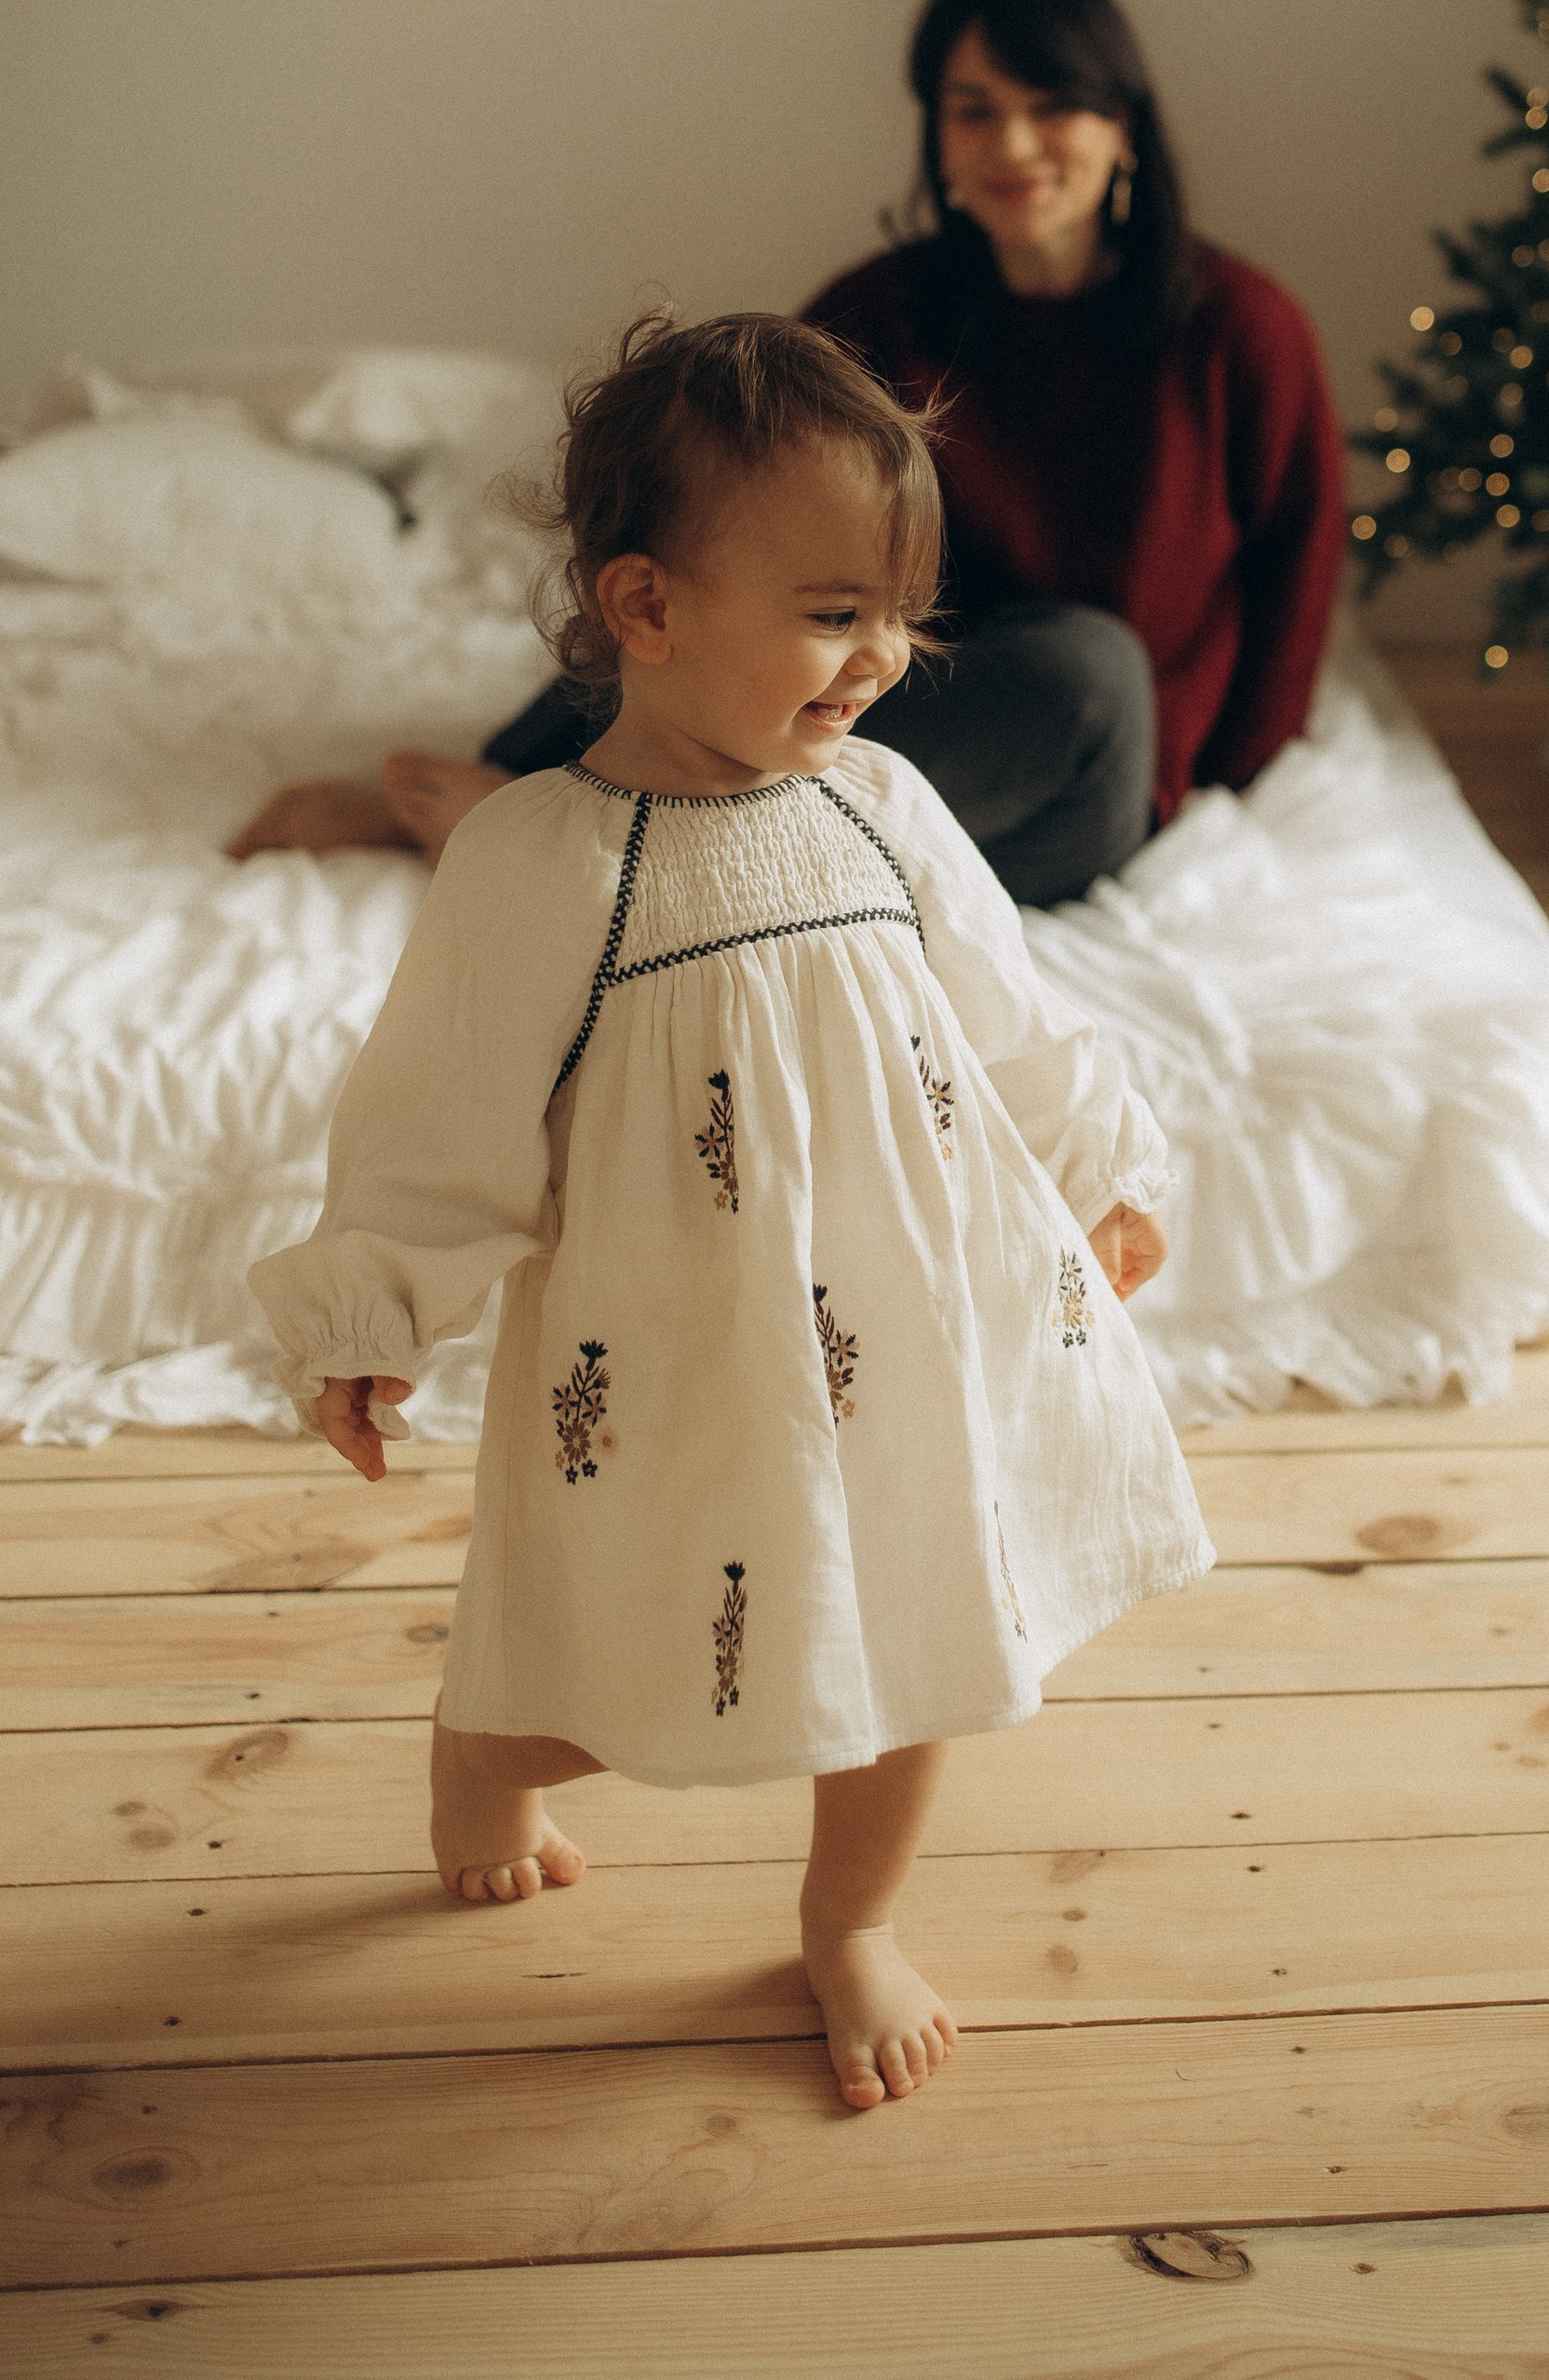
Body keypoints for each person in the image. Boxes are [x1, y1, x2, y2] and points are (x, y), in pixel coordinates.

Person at [248, 310, 1211, 2109]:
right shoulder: (540, 862)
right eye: (835, 612)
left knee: (931, 1617)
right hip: (683, 1345)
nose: (882, 658)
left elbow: (1012, 1017)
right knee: (649, 1623)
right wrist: (369, 1317)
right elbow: (438, 1125)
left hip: (911, 1316)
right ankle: (490, 1749)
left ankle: (847, 1918)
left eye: (901, 613)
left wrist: (1101, 1175)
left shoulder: (888, 806)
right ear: (647, 607)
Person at [227, 0, 1345, 911]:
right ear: (937, 140)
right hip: (843, 707)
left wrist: (1224, 774)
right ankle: (541, 805)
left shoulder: (1237, 328)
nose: (1014, 141)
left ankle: (581, 837)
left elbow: (1299, 566)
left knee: (1088, 667)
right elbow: (716, 521)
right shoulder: (881, 311)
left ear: (1124, 127)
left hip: (1068, 761)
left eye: (1053, 104)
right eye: (973, 109)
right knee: (707, 551)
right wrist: (511, 754)